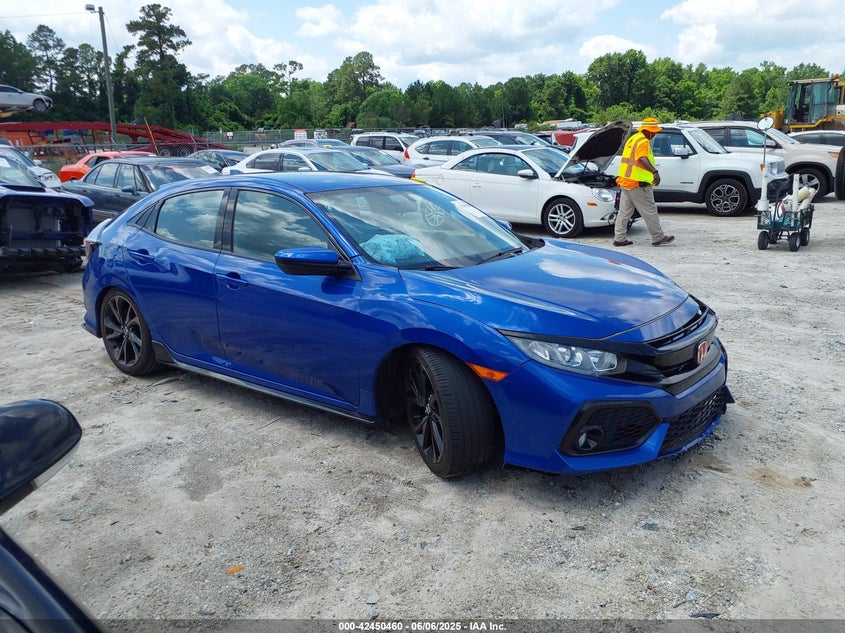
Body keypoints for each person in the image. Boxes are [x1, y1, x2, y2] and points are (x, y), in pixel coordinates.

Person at [613, 117, 674, 247]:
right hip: (638, 183)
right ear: (649, 131)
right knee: (650, 210)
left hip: (626, 181)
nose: (655, 134)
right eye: (654, 132)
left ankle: (619, 238)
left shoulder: (633, 138)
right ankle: (658, 237)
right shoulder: (643, 141)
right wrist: (654, 172)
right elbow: (642, 158)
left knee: (624, 213)